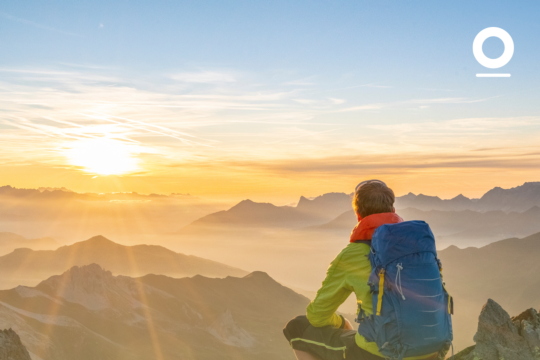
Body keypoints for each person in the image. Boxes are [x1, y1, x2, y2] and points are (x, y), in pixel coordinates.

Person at [283, 180, 440, 360]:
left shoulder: (353, 254)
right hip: (432, 350)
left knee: (296, 327)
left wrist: (342, 322)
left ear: (358, 215)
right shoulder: (419, 246)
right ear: (393, 211)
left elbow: (317, 316)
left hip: (381, 355)